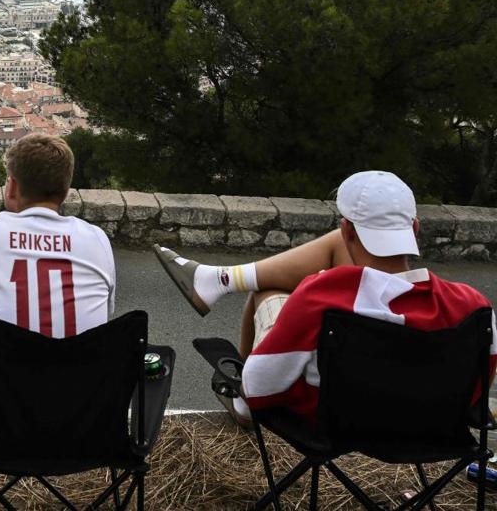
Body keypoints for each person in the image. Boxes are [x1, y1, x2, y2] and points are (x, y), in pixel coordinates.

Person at [154, 170, 495, 425]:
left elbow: (259, 386)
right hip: (426, 430)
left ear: (346, 230)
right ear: (415, 229)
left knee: (268, 290)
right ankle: (216, 281)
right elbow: (476, 395)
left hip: (335, 424)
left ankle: (221, 286)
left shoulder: (320, 295)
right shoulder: (475, 308)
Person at [0, 134, 116, 476]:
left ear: (11, 187)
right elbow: (101, 326)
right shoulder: (97, 241)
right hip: (83, 425)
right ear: (65, 191)